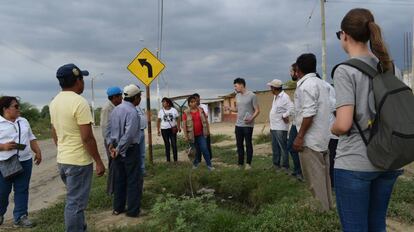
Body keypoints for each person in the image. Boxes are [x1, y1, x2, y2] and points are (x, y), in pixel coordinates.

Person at [331, 8, 403, 231]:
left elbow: (343, 124)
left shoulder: (345, 71)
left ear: (345, 35)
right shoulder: (392, 69)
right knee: (377, 225)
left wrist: (332, 128)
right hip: (388, 160)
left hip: (354, 163)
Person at [50, 63, 105, 232]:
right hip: (78, 162)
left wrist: (63, 150)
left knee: (75, 200)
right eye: (82, 78)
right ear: (77, 80)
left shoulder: (54, 102)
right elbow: (87, 138)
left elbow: (54, 132)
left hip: (63, 160)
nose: (83, 83)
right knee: (75, 204)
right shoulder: (80, 102)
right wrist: (99, 161)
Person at [292, 54, 333, 212]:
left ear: (299, 69)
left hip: (310, 141)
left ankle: (321, 214)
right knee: (324, 179)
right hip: (322, 138)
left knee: (315, 182)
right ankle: (328, 208)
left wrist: (300, 136)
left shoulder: (306, 86)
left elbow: (309, 113)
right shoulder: (322, 84)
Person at [0, 96, 42, 228]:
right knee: (2, 191)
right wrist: (3, 147)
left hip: (24, 160)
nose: (19, 109)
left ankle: (20, 217)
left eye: (19, 106)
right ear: (5, 109)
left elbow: (31, 137)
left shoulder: (23, 121)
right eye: (16, 107)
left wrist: (38, 151)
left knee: (22, 189)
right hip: (5, 162)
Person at [107, 84, 143, 217]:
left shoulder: (116, 110)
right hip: (129, 150)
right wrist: (119, 148)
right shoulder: (132, 112)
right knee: (134, 180)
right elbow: (129, 135)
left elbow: (110, 129)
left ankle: (118, 208)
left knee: (120, 179)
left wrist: (111, 145)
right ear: (136, 97)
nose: (140, 99)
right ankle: (133, 211)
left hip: (116, 149)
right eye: (140, 96)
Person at [225, 78, 260, 170]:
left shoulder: (252, 95)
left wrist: (251, 118)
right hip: (238, 125)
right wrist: (229, 108)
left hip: (248, 125)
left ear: (241, 85)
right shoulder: (237, 96)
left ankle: (248, 164)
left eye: (235, 86)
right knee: (239, 145)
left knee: (248, 144)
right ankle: (240, 164)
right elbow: (237, 109)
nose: (235, 88)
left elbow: (257, 110)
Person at [266, 79, 293, 172]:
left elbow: (292, 108)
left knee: (283, 148)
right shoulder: (276, 96)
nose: (270, 89)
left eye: (271, 87)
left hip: (281, 128)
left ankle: (285, 167)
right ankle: (276, 164)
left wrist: (284, 115)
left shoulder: (285, 97)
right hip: (274, 127)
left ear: (275, 88)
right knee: (275, 147)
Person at [100, 86, 123, 195]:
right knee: (113, 164)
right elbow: (105, 128)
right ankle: (111, 190)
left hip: (115, 140)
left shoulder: (115, 107)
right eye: (120, 96)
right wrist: (110, 143)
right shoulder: (107, 109)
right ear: (114, 97)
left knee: (116, 165)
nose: (121, 98)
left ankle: (115, 189)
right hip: (111, 142)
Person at [183, 96, 214, 171]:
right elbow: (184, 125)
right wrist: (186, 136)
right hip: (191, 136)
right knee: (194, 151)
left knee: (204, 149)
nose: (194, 103)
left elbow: (206, 121)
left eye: (195, 101)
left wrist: (208, 130)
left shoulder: (201, 110)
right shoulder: (186, 112)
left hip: (201, 134)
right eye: (192, 102)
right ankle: (195, 164)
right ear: (189, 103)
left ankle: (209, 165)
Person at [287, 63, 303, 181]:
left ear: (296, 72)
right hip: (295, 123)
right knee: (291, 147)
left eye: (291, 71)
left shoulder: (304, 86)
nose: (290, 73)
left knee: (297, 148)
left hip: (302, 124)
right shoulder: (299, 85)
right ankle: (298, 170)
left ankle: (301, 172)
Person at [157, 97, 181, 162]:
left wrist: (178, 127)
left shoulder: (173, 110)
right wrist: (158, 130)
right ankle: (168, 160)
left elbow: (178, 118)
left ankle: (175, 160)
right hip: (164, 130)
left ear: (168, 103)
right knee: (167, 145)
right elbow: (158, 121)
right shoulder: (161, 111)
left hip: (172, 129)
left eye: (164, 102)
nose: (162, 103)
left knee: (174, 144)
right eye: (162, 102)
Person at [193, 93, 213, 159]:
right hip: (196, 129)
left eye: (197, 98)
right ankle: (198, 159)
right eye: (194, 99)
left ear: (199, 98)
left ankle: (209, 158)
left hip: (204, 128)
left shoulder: (204, 106)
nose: (196, 100)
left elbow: (206, 116)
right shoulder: (191, 108)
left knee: (207, 144)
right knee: (197, 146)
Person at [136, 106, 147, 175]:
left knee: (142, 152)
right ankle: (137, 171)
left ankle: (142, 170)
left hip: (142, 130)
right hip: (136, 132)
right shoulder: (130, 108)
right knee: (136, 152)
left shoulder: (139, 107)